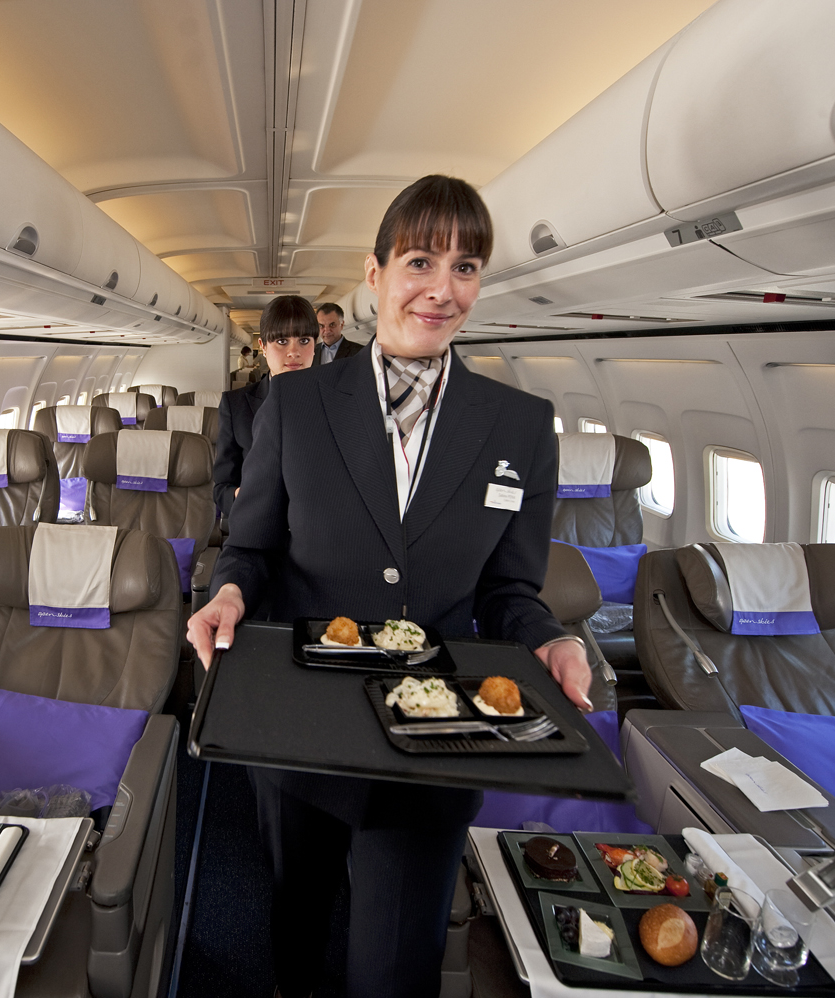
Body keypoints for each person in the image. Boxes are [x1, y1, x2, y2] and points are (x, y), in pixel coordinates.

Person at [187, 175, 592, 998]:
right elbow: (253, 546)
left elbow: (511, 590)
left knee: (394, 971)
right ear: (373, 277)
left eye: (467, 267)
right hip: (302, 724)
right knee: (296, 926)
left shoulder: (519, 425)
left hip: (435, 743)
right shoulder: (296, 406)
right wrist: (229, 591)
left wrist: (548, 636)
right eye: (419, 261)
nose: (443, 289)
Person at [213, 295, 317, 523]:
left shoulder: (335, 402)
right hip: (258, 525)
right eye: (281, 341)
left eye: (304, 340)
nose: (294, 352)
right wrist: (240, 496)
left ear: (315, 345)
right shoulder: (236, 405)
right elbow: (221, 488)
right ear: (263, 347)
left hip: (318, 532)